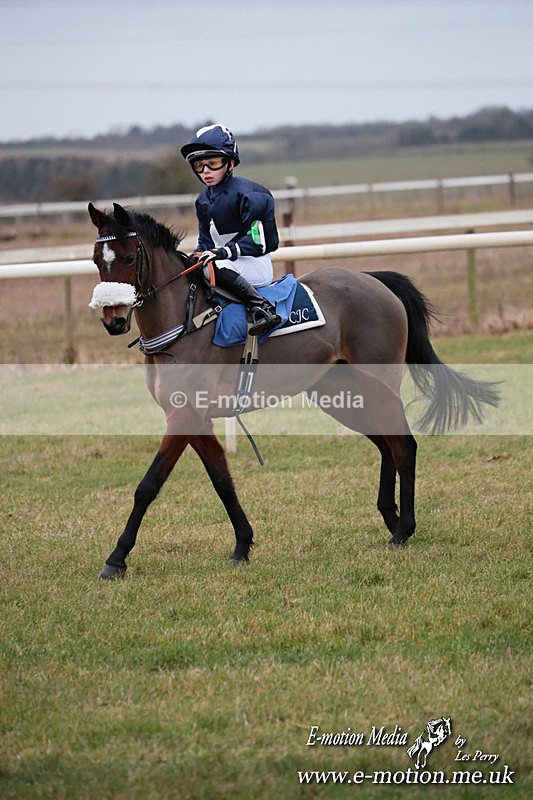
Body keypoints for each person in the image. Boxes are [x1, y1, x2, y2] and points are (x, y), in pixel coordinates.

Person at [180, 124, 281, 336]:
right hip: (223, 264)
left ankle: (263, 308)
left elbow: (262, 241)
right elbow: (205, 242)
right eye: (199, 165)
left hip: (254, 264)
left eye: (213, 163)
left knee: (211, 266)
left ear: (231, 163)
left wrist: (224, 252)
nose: (205, 171)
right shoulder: (202, 201)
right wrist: (195, 257)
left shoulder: (252, 195)